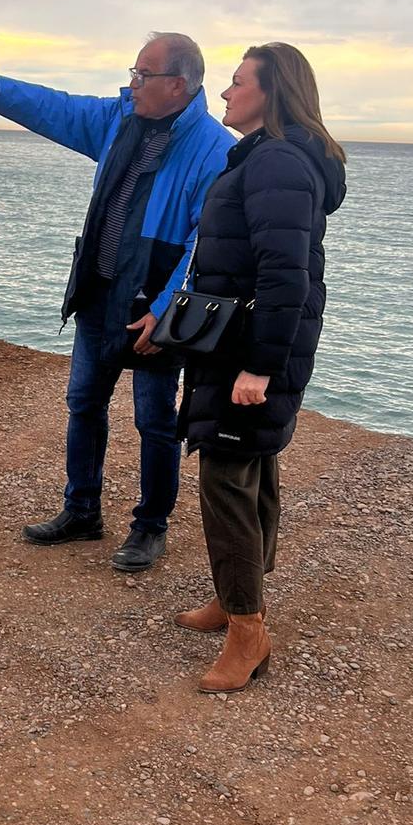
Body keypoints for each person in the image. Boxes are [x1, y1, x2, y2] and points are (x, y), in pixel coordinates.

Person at [0, 34, 233, 571]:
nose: (132, 83)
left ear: (179, 85)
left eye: (144, 75)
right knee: (84, 406)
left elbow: (202, 241)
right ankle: (82, 511)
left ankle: (150, 526)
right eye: (134, 72)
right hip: (99, 294)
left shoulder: (213, 148)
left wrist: (167, 307)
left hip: (151, 307)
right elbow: (61, 110)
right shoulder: (121, 121)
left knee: (155, 421)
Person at [175, 42, 347, 692]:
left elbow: (285, 275)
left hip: (248, 348)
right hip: (235, 342)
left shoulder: (277, 161)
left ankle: (248, 631)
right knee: (253, 466)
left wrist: (261, 368)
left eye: (237, 82)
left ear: (270, 93)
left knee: (225, 476)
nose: (224, 92)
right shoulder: (267, 158)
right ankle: (237, 596)